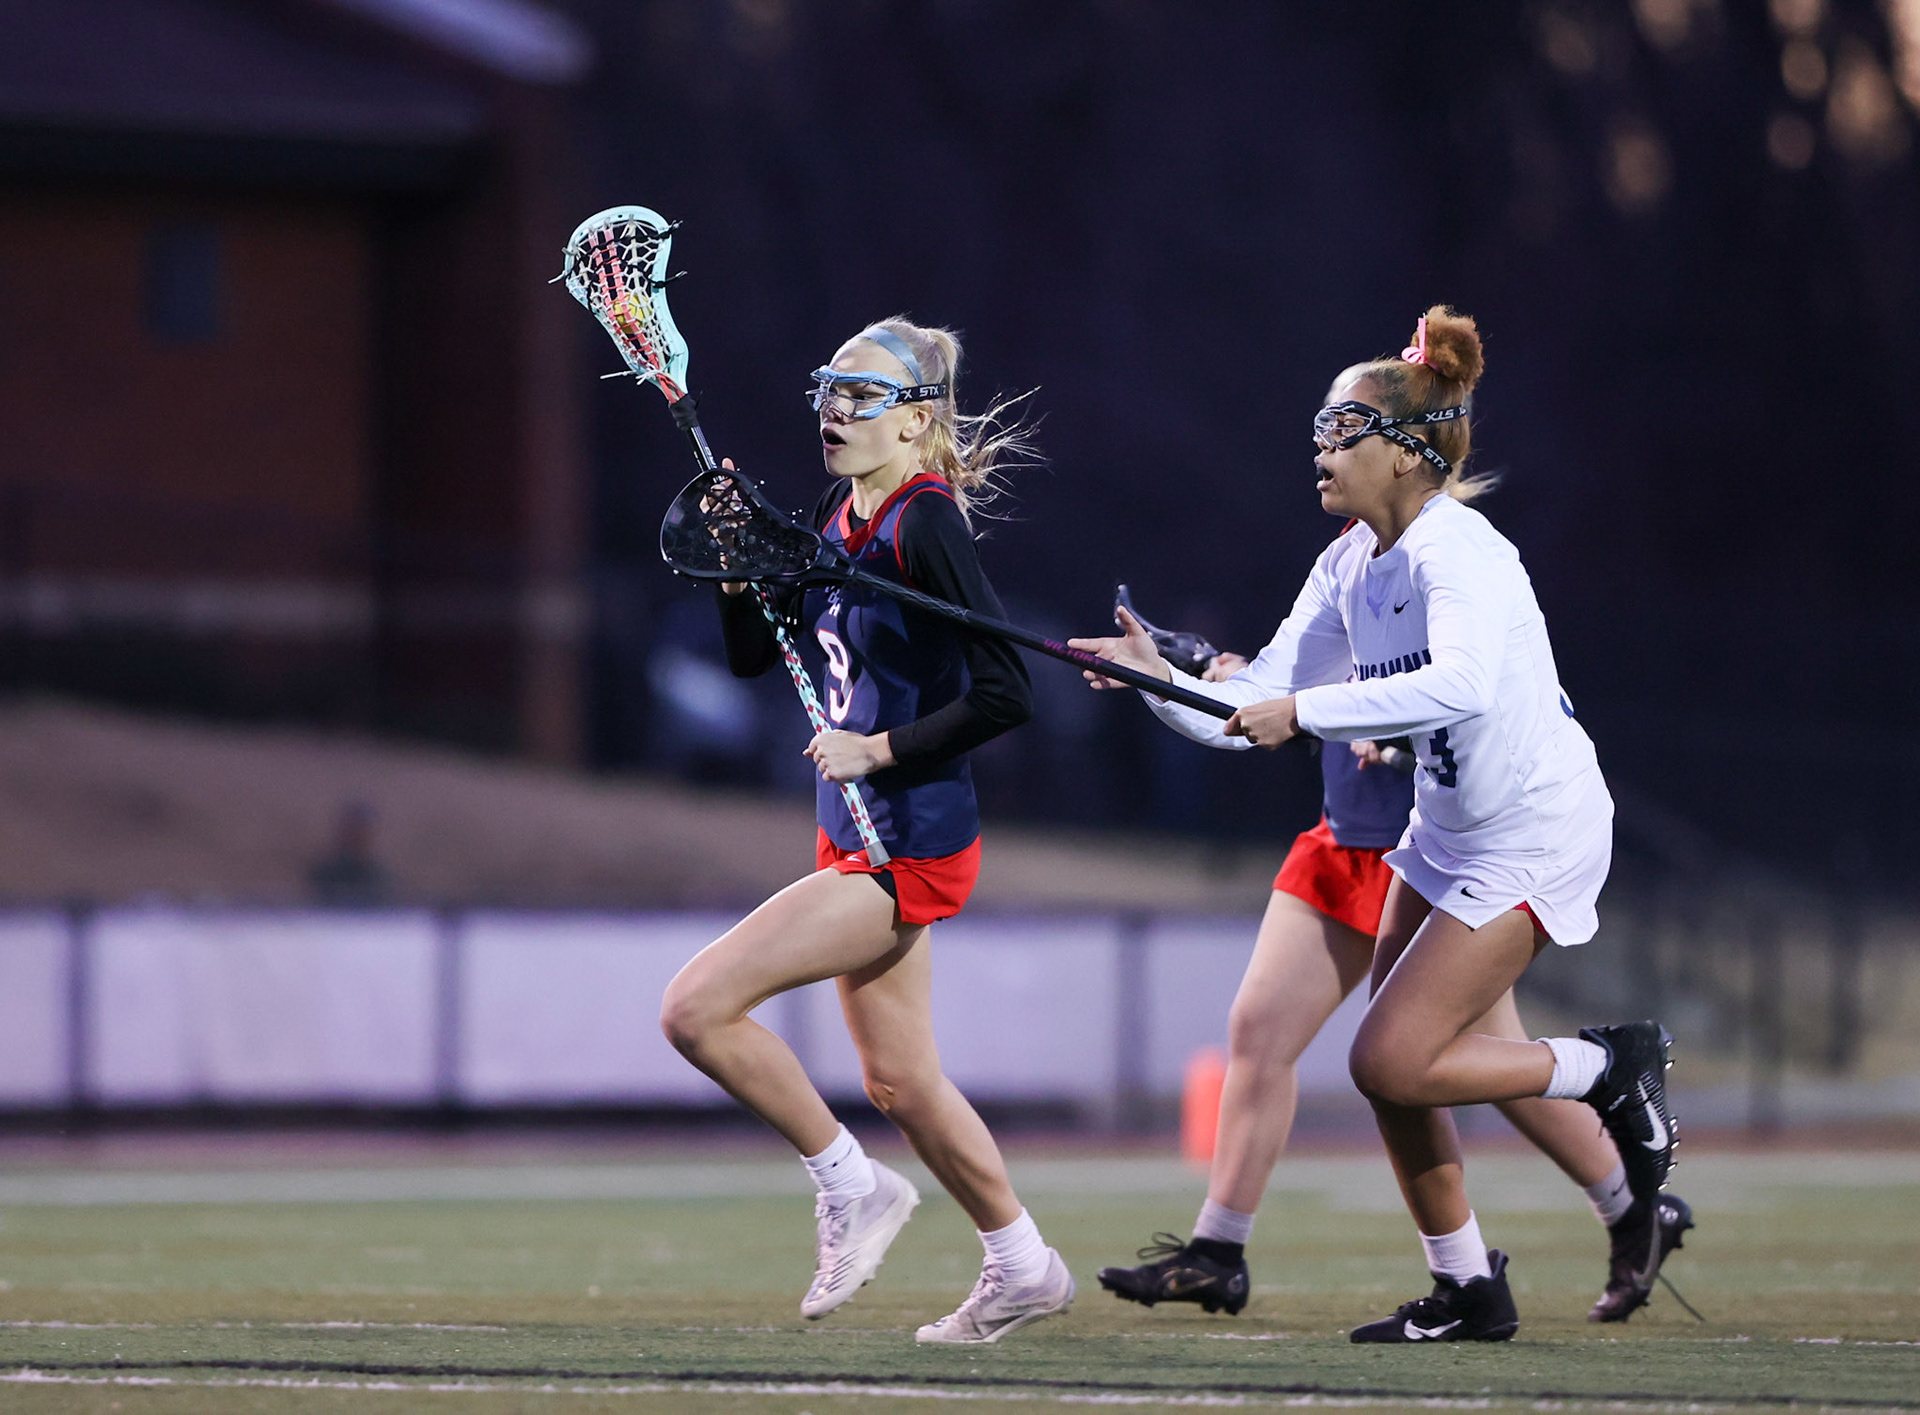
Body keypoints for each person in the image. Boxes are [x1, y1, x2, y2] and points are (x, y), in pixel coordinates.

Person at [1070, 307, 1680, 1343]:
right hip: (1446, 831)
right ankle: (1468, 1287)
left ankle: (1610, 1067)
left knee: (1393, 1060)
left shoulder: (1462, 551)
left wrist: (1303, 710)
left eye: (1339, 427)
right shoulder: (1350, 560)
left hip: (1534, 829)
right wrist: (1156, 682)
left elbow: (1462, 682)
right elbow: (1250, 701)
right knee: (1389, 1057)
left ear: (1404, 453)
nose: (1319, 445)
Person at [659, 317, 1075, 1345]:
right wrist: (737, 556)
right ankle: (1025, 1264)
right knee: (903, 1080)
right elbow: (761, 654)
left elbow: (1007, 690)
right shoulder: (838, 511)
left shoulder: (924, 522)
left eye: (862, 395)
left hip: (907, 836)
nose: (835, 412)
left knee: (696, 1009)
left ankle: (851, 1184)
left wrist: (880, 750)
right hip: (854, 828)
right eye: (829, 391)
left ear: (918, 418)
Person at [1092, 634, 1691, 1325]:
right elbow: (1293, 683)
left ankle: (1618, 1194)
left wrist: (1398, 735)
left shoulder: (1447, 567)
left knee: (1449, 1061)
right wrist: (1197, 672)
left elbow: (1505, 708)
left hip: (1434, 853)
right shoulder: (1352, 569)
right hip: (1345, 835)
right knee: (1262, 1029)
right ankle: (1218, 1250)